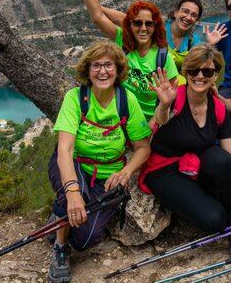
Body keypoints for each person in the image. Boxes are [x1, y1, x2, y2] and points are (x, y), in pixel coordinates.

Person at [49, 41, 152, 283]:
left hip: (108, 174)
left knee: (85, 240)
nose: (103, 71)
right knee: (72, 197)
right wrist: (73, 191)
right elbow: (65, 150)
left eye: (108, 65)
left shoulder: (127, 101)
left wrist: (127, 171)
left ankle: (60, 219)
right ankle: (60, 246)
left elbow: (143, 147)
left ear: (118, 70)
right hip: (73, 162)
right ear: (87, 70)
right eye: (96, 65)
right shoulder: (76, 98)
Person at [139, 44, 231, 258]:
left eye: (207, 71)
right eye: (193, 71)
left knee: (224, 160)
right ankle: (211, 209)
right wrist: (164, 105)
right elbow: (160, 120)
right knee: (214, 220)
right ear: (186, 73)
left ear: (215, 75)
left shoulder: (218, 107)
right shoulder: (173, 98)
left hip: (196, 163)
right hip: (165, 169)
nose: (199, 76)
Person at [75, 0, 179, 121]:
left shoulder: (163, 58)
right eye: (138, 23)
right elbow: (97, 17)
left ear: (155, 26)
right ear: (130, 25)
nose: (143, 28)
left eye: (149, 23)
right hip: (119, 119)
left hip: (150, 123)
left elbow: (168, 100)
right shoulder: (123, 40)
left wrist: (151, 127)